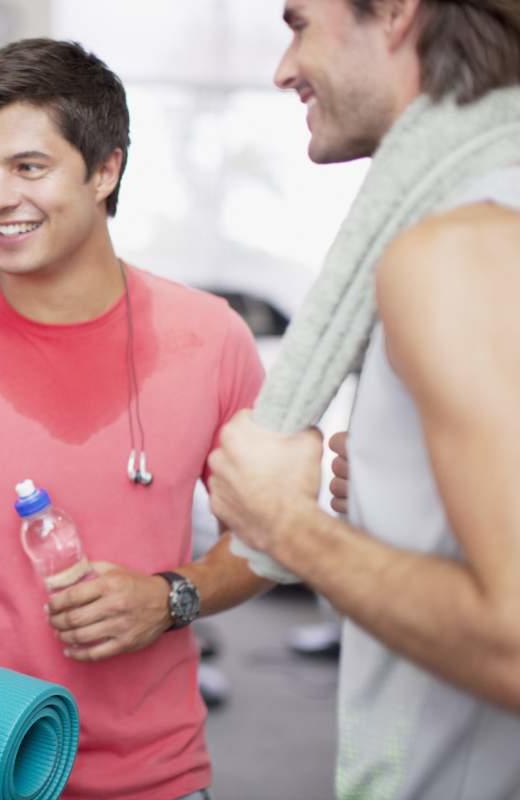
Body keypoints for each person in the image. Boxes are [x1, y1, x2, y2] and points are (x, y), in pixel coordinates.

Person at [0, 39, 273, 800]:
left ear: (105, 171)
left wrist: (170, 597)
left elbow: (267, 541)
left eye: (29, 167)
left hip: (154, 777)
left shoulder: (211, 339)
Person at [207, 1, 520, 798]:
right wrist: (402, 507)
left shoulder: (460, 248)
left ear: (396, 13)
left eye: (300, 25)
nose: (283, 70)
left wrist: (286, 523)